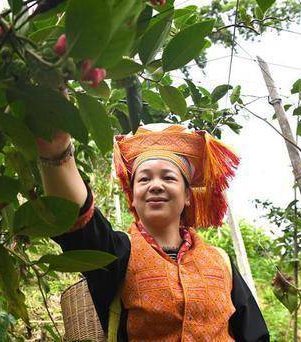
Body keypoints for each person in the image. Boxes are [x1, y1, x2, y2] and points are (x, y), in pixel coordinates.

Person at [37, 123, 269, 341]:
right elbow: (80, 222)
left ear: (188, 195)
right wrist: (56, 152)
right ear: (134, 197)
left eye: (168, 177)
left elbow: (254, 335)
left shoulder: (222, 263)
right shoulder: (118, 253)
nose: (156, 185)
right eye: (144, 179)